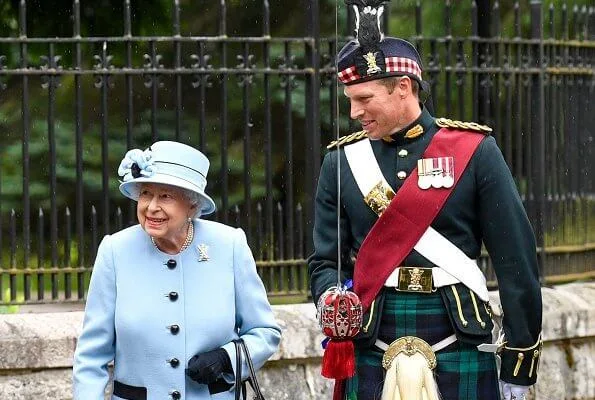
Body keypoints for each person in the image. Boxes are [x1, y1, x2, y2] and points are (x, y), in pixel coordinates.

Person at [308, 1, 542, 400]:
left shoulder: (475, 150)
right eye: (349, 99)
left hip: (459, 331)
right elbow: (323, 260)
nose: (353, 112)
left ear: (403, 87)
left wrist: (518, 365)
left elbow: (515, 260)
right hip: (371, 332)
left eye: (363, 98)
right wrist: (331, 297)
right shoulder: (341, 162)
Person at [73, 141, 281, 400]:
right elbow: (91, 356)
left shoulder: (229, 245)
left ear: (192, 206)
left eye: (166, 196)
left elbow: (265, 332)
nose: (151, 207)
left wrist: (226, 359)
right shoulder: (115, 251)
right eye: (146, 193)